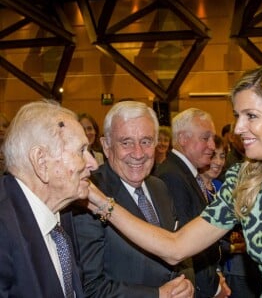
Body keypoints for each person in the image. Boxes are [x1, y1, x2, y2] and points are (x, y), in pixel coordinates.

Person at [87, 61, 262, 297]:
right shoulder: (244, 181)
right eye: (237, 116)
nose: (238, 128)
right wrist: (102, 202)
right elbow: (176, 247)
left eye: (251, 116)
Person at [73, 101, 194, 298]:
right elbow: (90, 287)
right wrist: (157, 295)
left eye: (146, 141)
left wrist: (186, 283)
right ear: (106, 145)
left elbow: (181, 250)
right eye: (126, 142)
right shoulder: (89, 197)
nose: (138, 153)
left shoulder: (159, 187)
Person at [0, 100, 99, 297]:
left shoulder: (62, 215)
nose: (93, 164)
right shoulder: (3, 228)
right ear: (41, 162)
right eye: (81, 151)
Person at [154, 108, 230, 298]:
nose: (212, 146)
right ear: (182, 139)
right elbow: (186, 247)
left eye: (212, 138)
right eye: (205, 138)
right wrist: (214, 289)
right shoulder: (172, 176)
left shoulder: (184, 173)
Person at [198, 136, 262, 298]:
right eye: (213, 155)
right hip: (224, 268)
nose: (218, 162)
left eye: (222, 156)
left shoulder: (220, 186)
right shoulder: (195, 188)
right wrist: (236, 247)